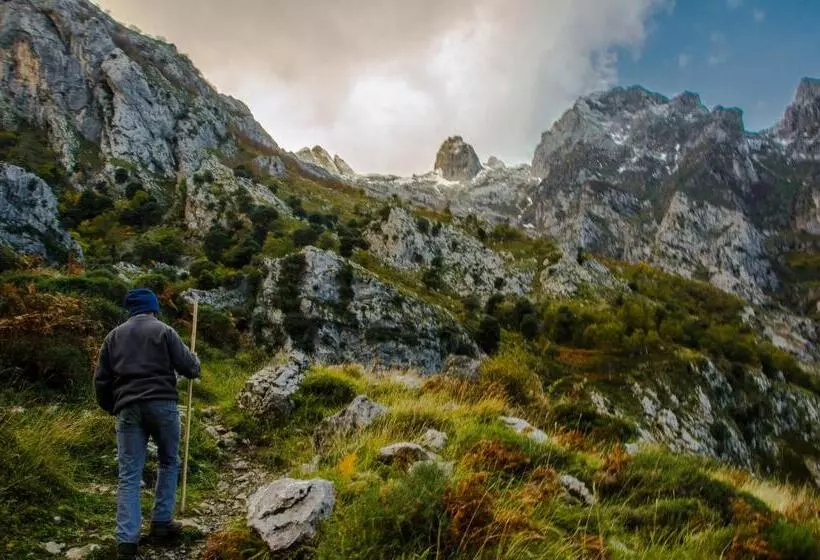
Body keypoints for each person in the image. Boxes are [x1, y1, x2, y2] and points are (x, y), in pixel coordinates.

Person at [94, 288, 201, 560]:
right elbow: (190, 368)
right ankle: (161, 523)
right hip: (162, 404)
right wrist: (195, 361)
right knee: (169, 461)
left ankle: (127, 542)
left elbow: (102, 381)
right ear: (154, 307)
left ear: (130, 309)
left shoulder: (112, 337)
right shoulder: (165, 331)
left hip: (127, 408)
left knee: (129, 475)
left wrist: (113, 407)